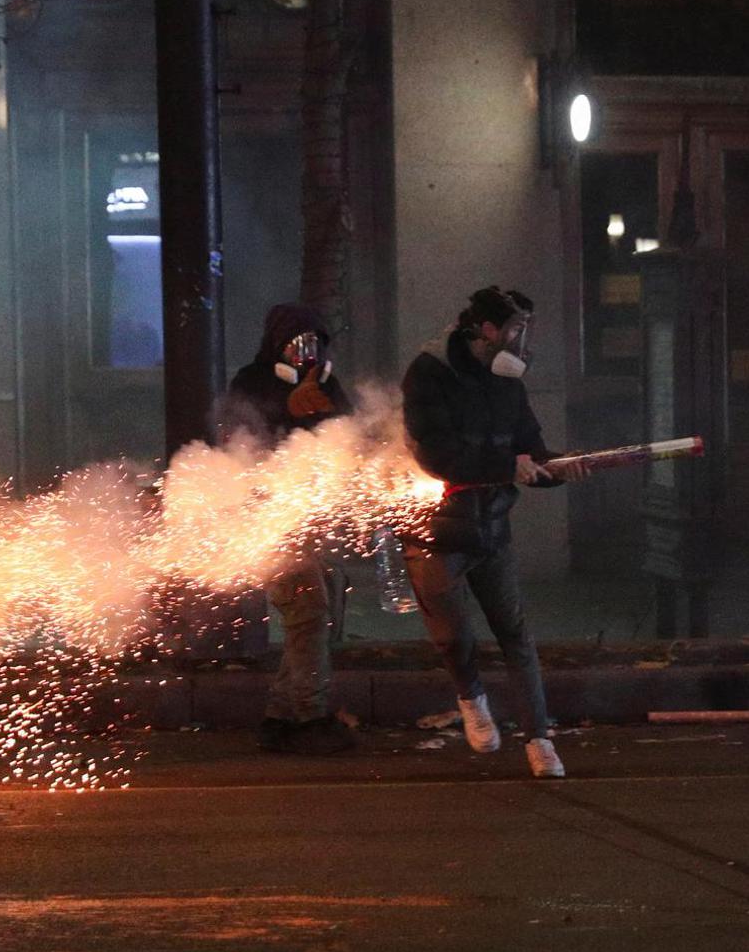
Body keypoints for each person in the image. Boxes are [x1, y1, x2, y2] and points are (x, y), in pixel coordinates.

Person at [400, 286, 589, 778]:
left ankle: (539, 741)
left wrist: (562, 469)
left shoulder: (509, 383)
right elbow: (435, 456)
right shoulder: (429, 373)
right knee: (454, 636)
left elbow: (531, 453)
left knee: (516, 636)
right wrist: (508, 465)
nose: (524, 339)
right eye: (515, 328)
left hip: (491, 527)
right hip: (436, 532)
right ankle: (471, 698)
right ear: (486, 329)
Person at [225, 303, 356, 755]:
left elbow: (348, 438)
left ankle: (280, 719)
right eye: (298, 341)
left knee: (308, 618)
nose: (307, 351)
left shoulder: (329, 386)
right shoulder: (251, 382)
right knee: (309, 612)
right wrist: (288, 406)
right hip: (268, 516)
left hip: (307, 515)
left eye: (316, 342)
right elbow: (240, 441)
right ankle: (308, 717)